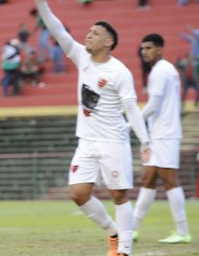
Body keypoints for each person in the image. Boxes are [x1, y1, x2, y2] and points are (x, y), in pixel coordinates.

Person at [35, 1, 151, 256]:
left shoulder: (119, 72)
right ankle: (114, 232)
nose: (89, 35)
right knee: (78, 193)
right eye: (88, 31)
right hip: (86, 140)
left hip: (113, 141)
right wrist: (40, 3)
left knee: (119, 195)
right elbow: (56, 29)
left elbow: (131, 108)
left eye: (96, 33)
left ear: (108, 42)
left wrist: (145, 141)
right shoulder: (80, 56)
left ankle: (125, 250)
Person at [132, 34, 192, 244]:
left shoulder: (159, 72)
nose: (144, 52)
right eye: (142, 48)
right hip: (160, 134)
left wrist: (130, 123)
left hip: (164, 134)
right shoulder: (168, 69)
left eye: (148, 48)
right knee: (148, 179)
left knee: (169, 180)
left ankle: (183, 232)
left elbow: (153, 107)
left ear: (159, 49)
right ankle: (132, 229)